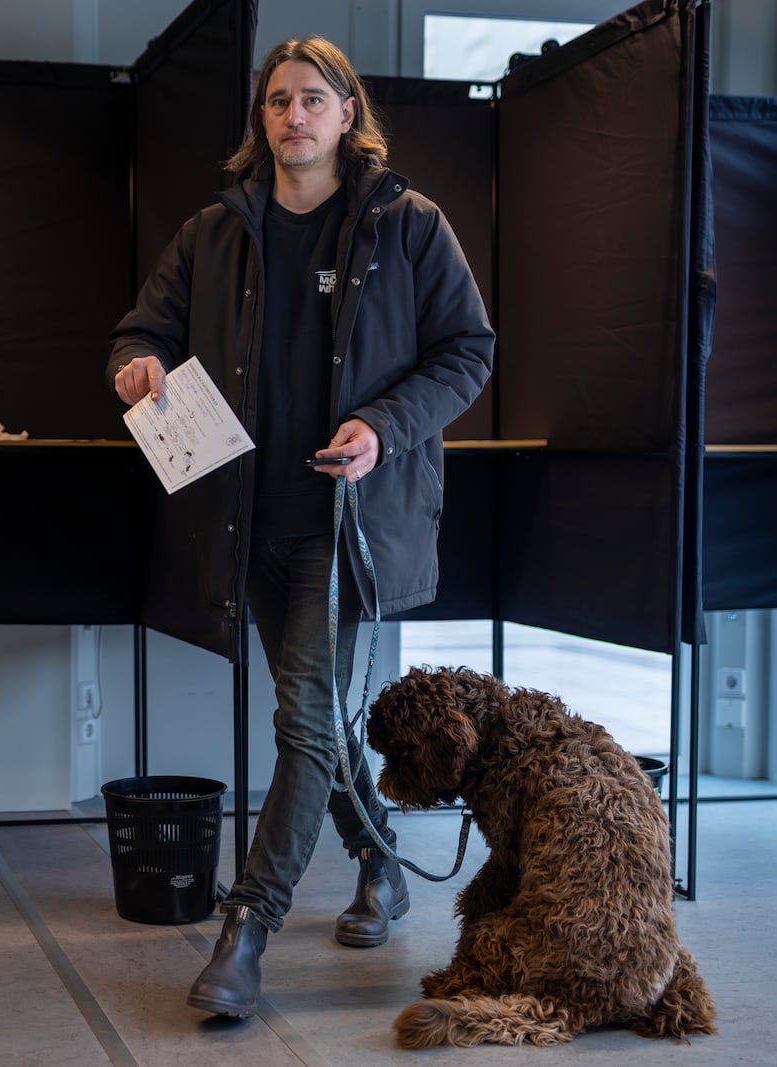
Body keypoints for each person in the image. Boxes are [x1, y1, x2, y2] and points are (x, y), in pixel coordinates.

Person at [107, 36, 494, 1018]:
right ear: (260, 120)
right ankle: (379, 862)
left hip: (345, 521)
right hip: (244, 522)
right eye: (276, 101)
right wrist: (139, 367)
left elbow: (467, 351)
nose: (293, 117)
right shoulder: (212, 230)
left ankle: (245, 930)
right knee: (310, 721)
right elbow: (142, 328)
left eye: (312, 99)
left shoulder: (407, 225)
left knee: (302, 722)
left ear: (346, 111)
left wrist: (383, 424)